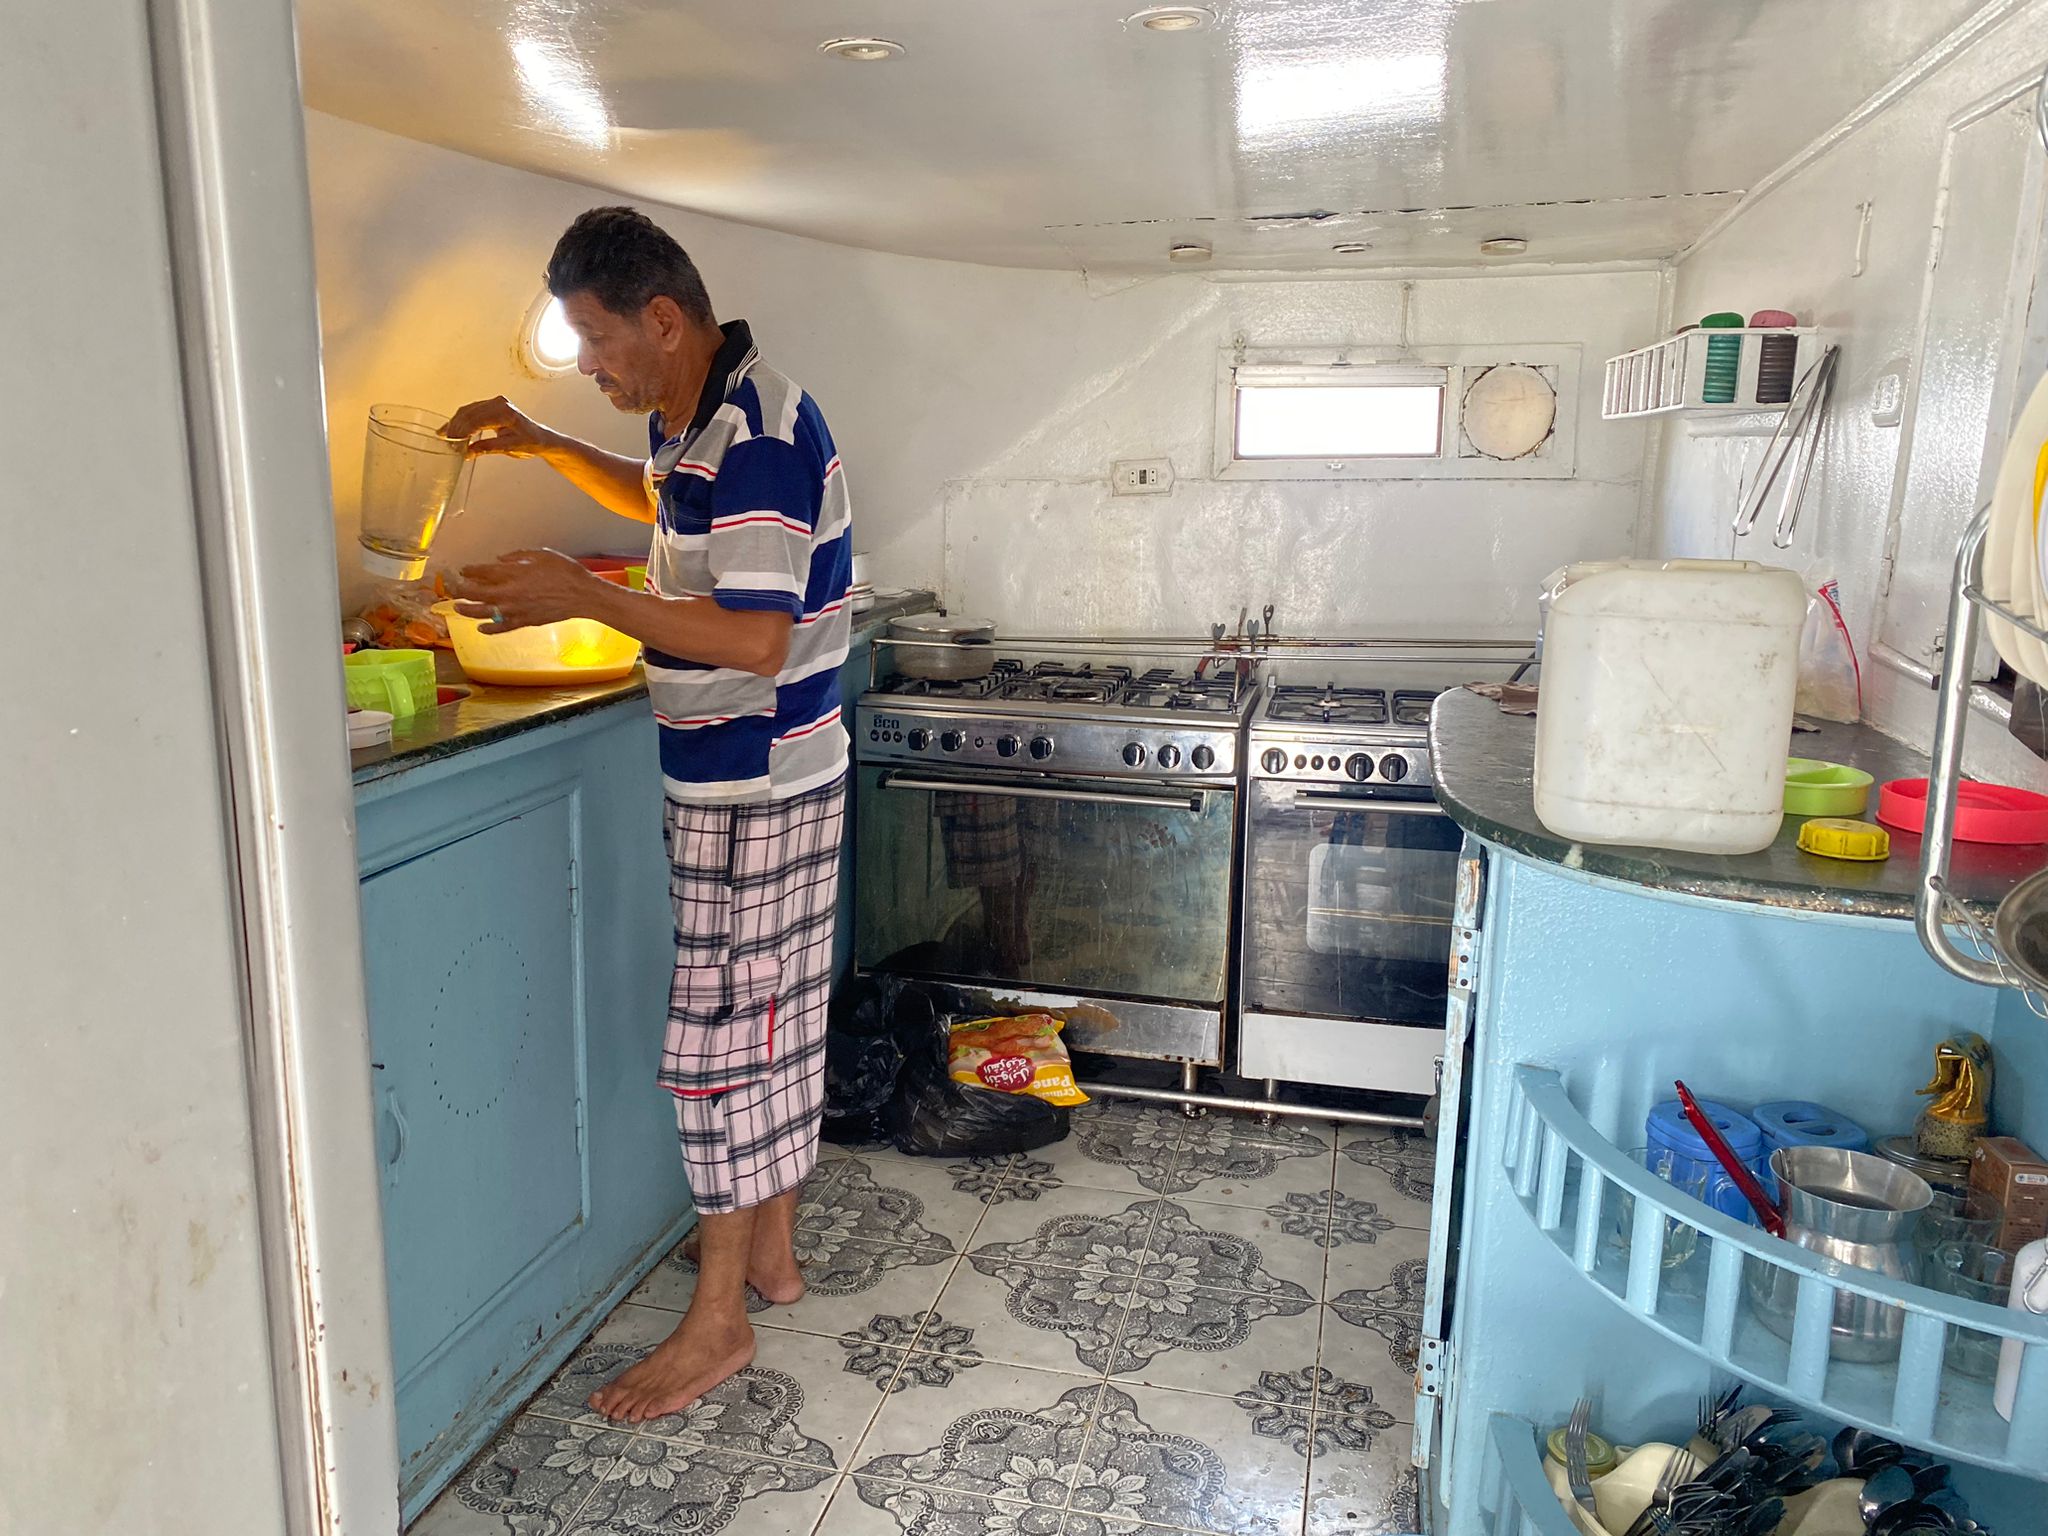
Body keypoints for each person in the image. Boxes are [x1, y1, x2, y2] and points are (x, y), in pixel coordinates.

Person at [444, 206, 851, 1423]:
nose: (586, 364)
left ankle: (718, 1322)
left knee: (720, 1049)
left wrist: (583, 591)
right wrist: (536, 442)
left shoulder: (759, 435)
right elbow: (657, 494)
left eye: (594, 340)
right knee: (771, 1023)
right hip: (760, 775)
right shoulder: (701, 413)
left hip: (753, 782)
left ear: (661, 319)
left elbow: (755, 639)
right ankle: (769, 1254)